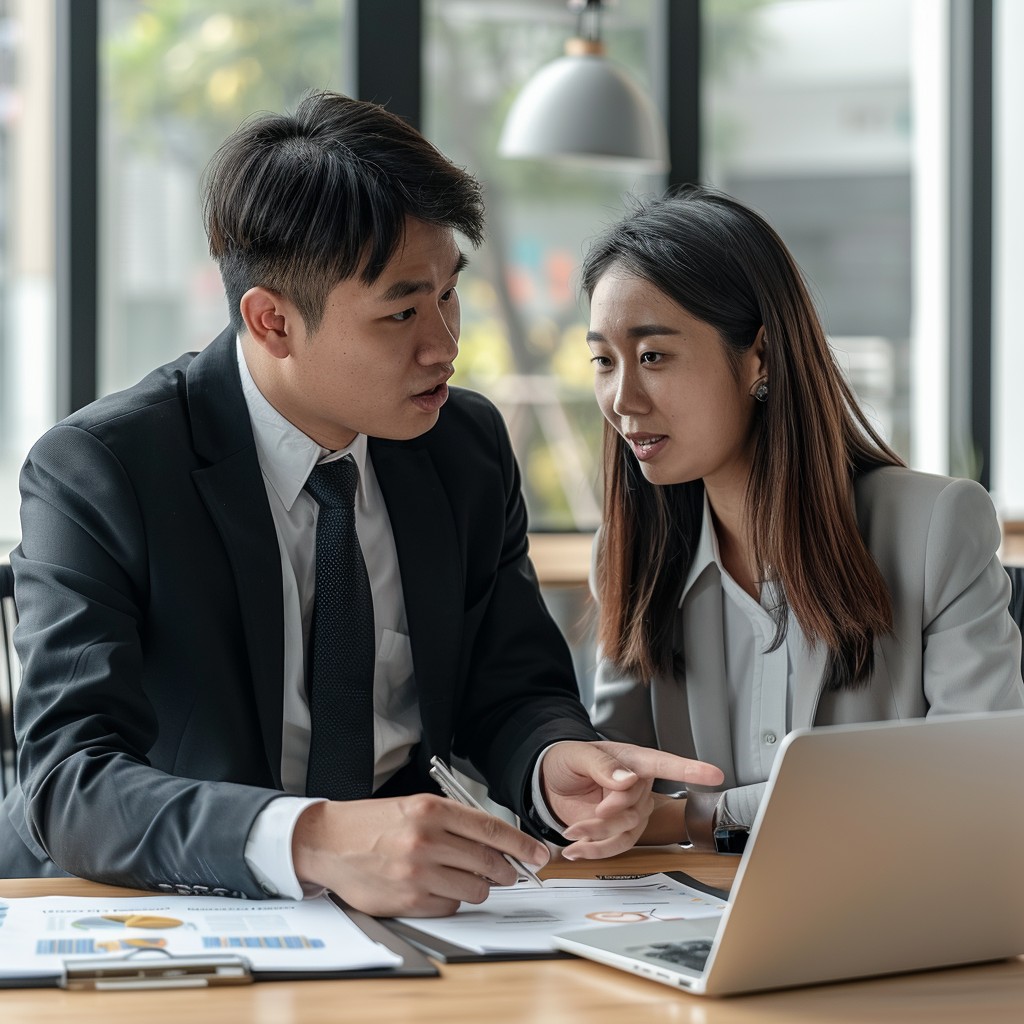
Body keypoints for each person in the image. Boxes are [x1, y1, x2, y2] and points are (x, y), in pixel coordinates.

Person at [0, 93, 722, 914]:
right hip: (159, 906)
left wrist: (552, 765)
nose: (445, 344)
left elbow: (513, 689)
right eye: (403, 311)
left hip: (418, 913)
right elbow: (67, 779)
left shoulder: (464, 447)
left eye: (450, 295)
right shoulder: (104, 469)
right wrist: (309, 839)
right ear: (272, 321)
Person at [581, 185, 1024, 852]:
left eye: (652, 356)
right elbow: (619, 790)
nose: (622, 399)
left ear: (759, 356)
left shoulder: (936, 529)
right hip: (691, 921)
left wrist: (703, 814)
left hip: (885, 923)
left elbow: (982, 779)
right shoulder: (632, 552)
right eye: (603, 362)